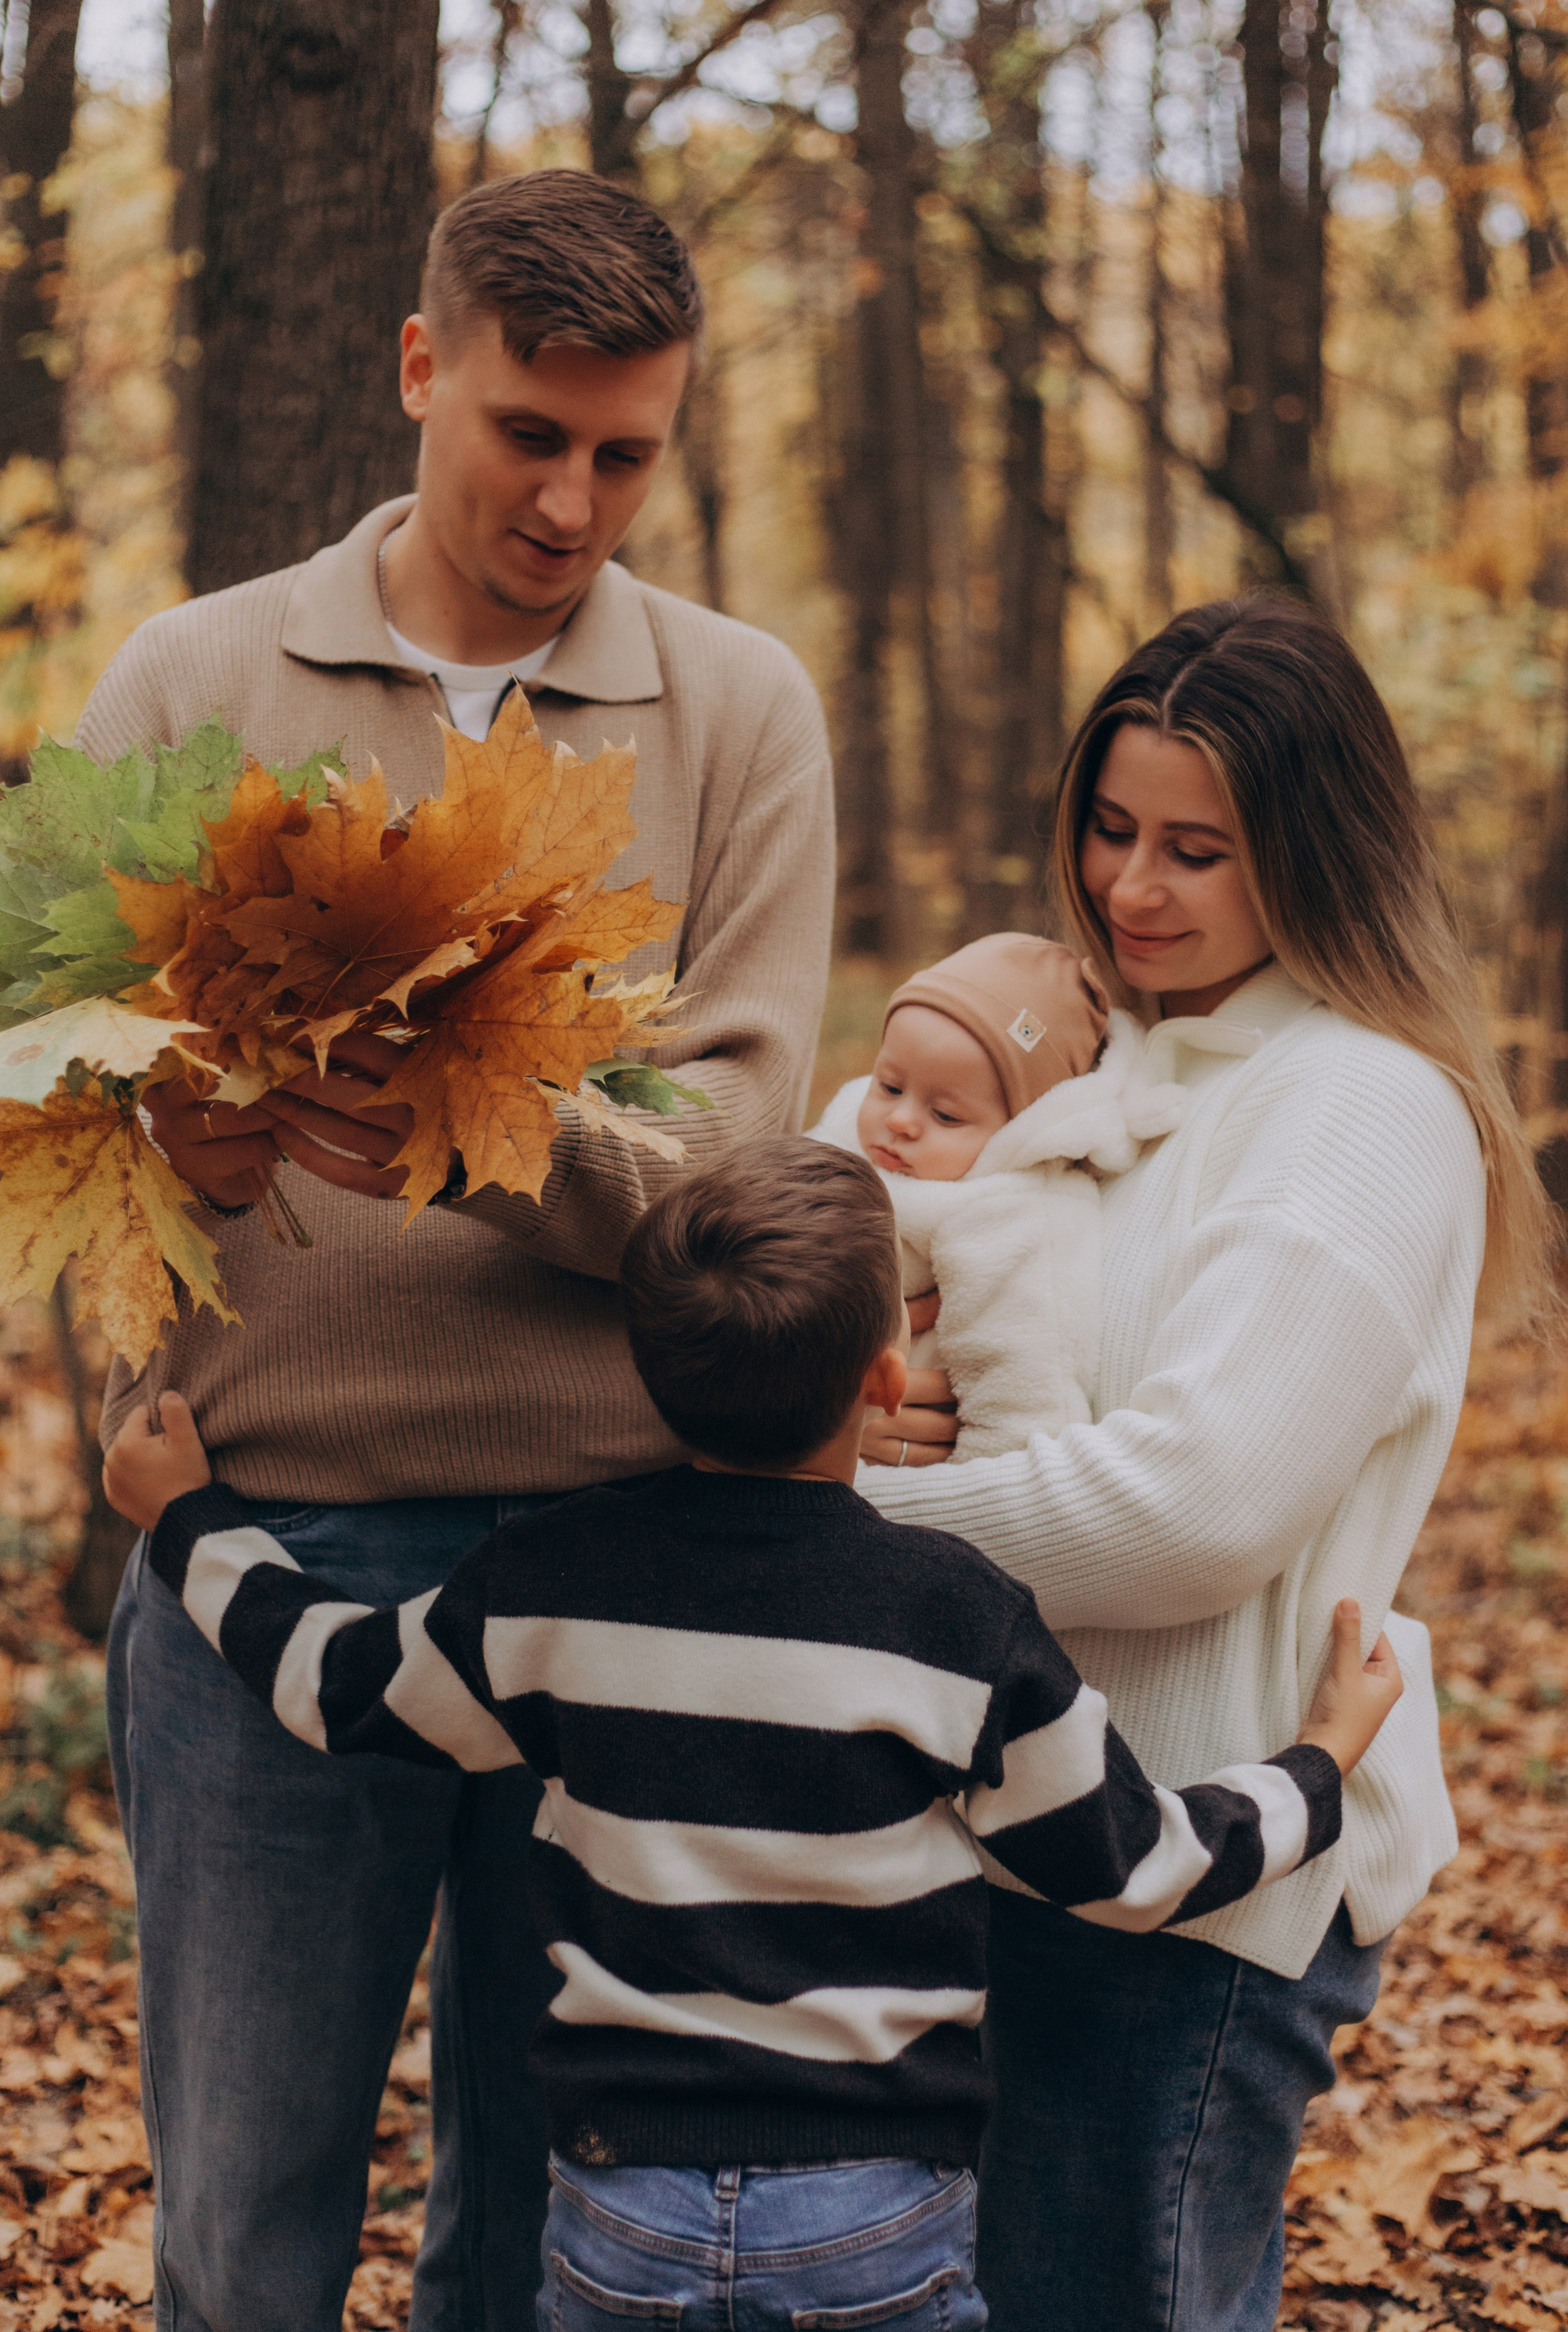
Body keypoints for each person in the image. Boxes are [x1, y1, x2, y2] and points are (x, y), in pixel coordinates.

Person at [75, 172, 834, 2332]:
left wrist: (457, 1110)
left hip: (634, 1566)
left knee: (553, 2246)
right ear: (422, 367)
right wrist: (165, 1155)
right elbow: (49, 1103)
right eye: (528, 433)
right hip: (263, 1551)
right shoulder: (192, 676)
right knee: (246, 2232)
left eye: (625, 455)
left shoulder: (739, 711)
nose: (572, 503)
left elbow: (735, 1183)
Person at [103, 1142, 1403, 2332]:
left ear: (642, 1372)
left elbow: (335, 1683)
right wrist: (1318, 1767)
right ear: (884, 1379)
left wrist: (191, 1522)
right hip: (869, 2219)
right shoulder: (955, 1618)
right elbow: (1132, 1867)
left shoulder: (552, 1583)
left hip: (623, 2215)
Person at [854, 593, 1554, 2332]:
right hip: (990, 1834)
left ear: (1313, 852)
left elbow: (1189, 1508)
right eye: (1110, 826)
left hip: (1189, 1871)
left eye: (1196, 849)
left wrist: (838, 1516)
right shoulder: (1091, 1048)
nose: (1130, 886)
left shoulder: (1359, 1104)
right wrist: (869, 1397)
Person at [809, 933, 1183, 1455]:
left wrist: (966, 1485)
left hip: (903, 1464)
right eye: (890, 1086)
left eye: (946, 1115)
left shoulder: (1009, 1218)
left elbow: (1023, 1396)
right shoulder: (844, 1134)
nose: (900, 1120)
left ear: (1023, 1128)